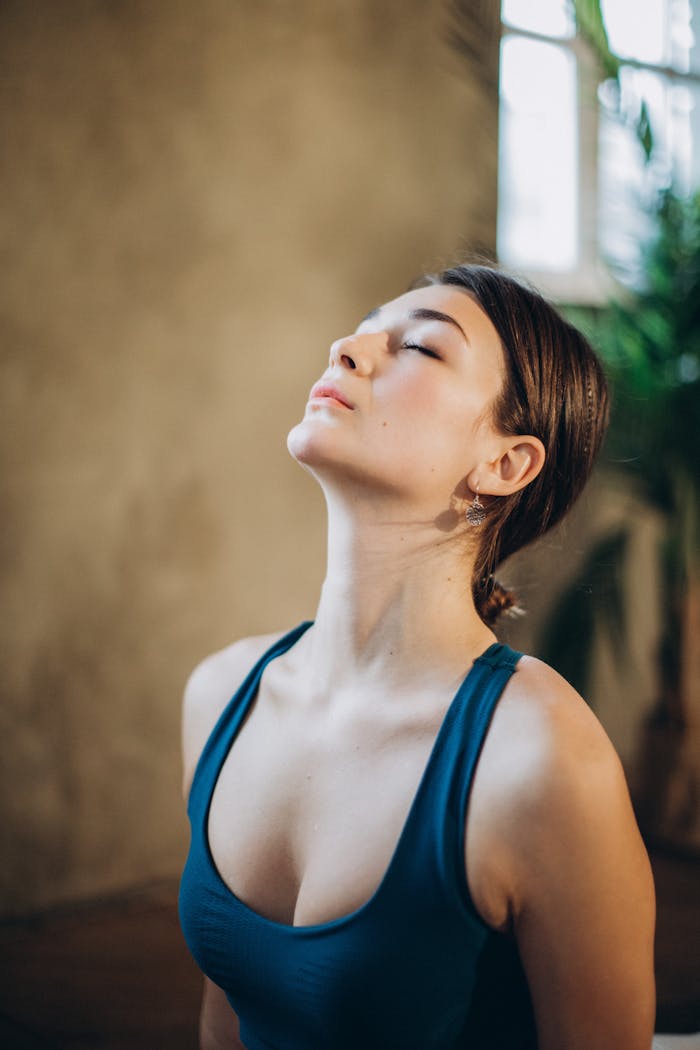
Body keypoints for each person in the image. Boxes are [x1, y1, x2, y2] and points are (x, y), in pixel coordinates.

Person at [178, 263, 656, 1049]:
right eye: (366, 329)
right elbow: (228, 1016)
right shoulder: (221, 692)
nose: (349, 348)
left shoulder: (543, 762)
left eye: (424, 349)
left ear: (505, 464)